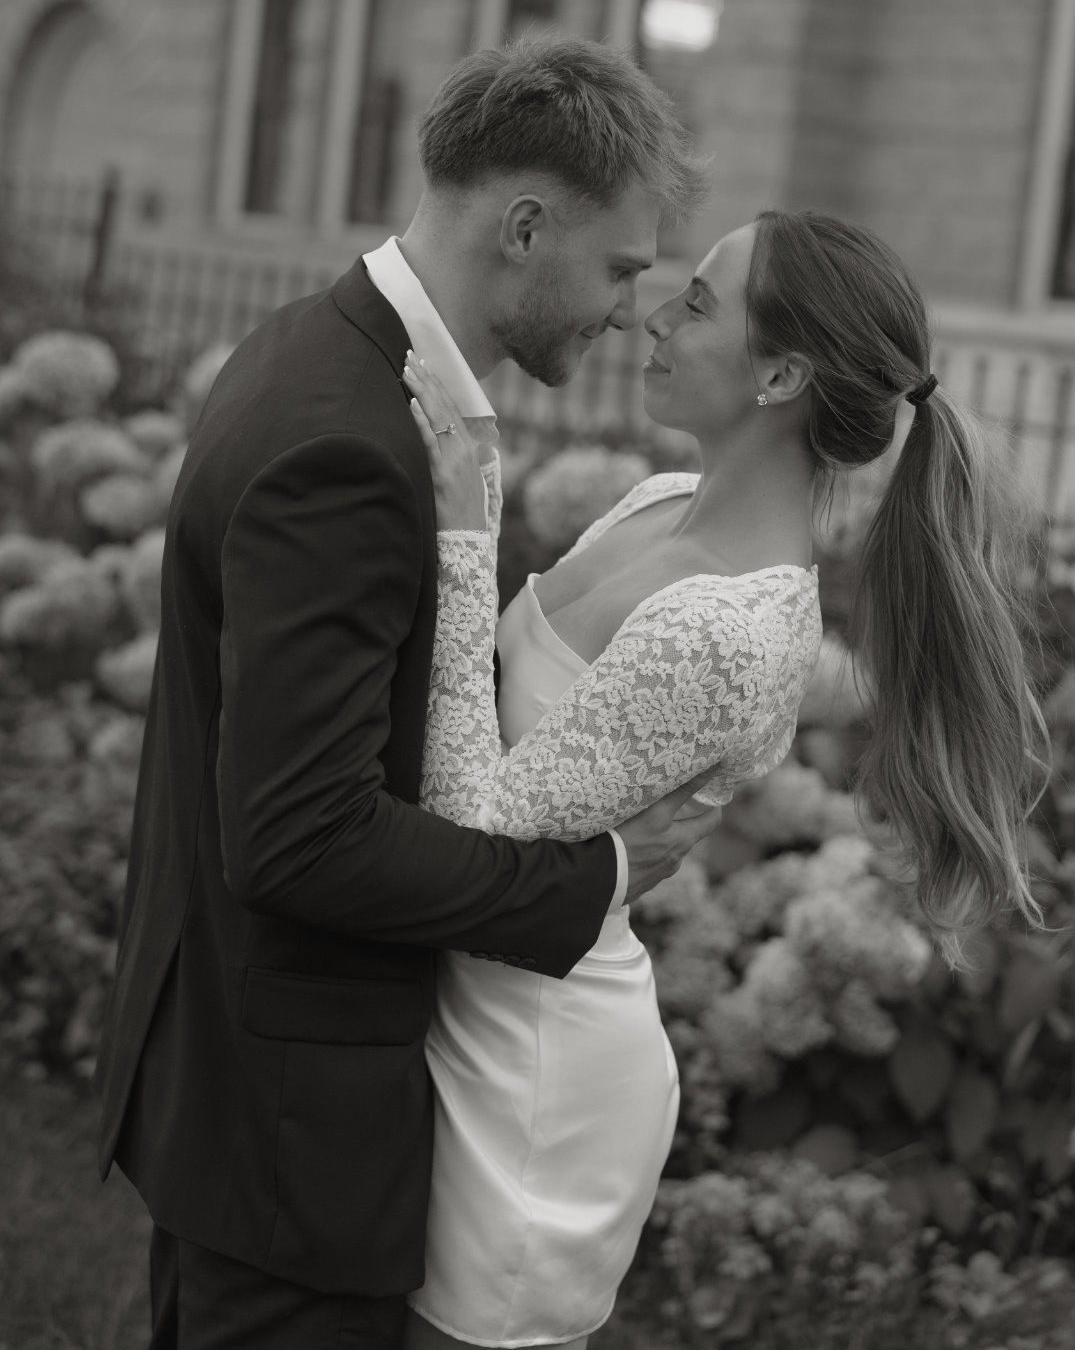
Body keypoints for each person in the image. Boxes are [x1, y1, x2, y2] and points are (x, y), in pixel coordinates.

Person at [92, 38, 720, 1350]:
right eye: (618, 270)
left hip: (246, 1093)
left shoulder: (325, 357)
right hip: (286, 1131)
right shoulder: (346, 443)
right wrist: (590, 881)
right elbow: (300, 838)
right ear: (524, 226)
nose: (625, 312)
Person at [397, 207, 1049, 1349]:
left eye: (698, 302)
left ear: (782, 371)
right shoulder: (655, 507)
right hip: (459, 1004)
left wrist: (466, 535)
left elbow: (478, 822)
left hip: (533, 1074)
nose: (652, 314)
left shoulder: (725, 629)